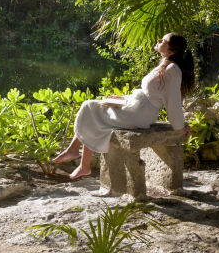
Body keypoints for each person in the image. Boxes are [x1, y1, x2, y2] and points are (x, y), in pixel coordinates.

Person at [53, 33, 195, 179]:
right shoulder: (165, 65)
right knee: (92, 107)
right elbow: (149, 93)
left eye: (163, 40)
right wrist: (123, 98)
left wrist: (180, 126)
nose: (158, 40)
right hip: (135, 108)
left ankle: (78, 156)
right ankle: (81, 161)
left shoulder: (172, 70)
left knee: (90, 107)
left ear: (171, 51)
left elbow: (173, 101)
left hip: (140, 115)